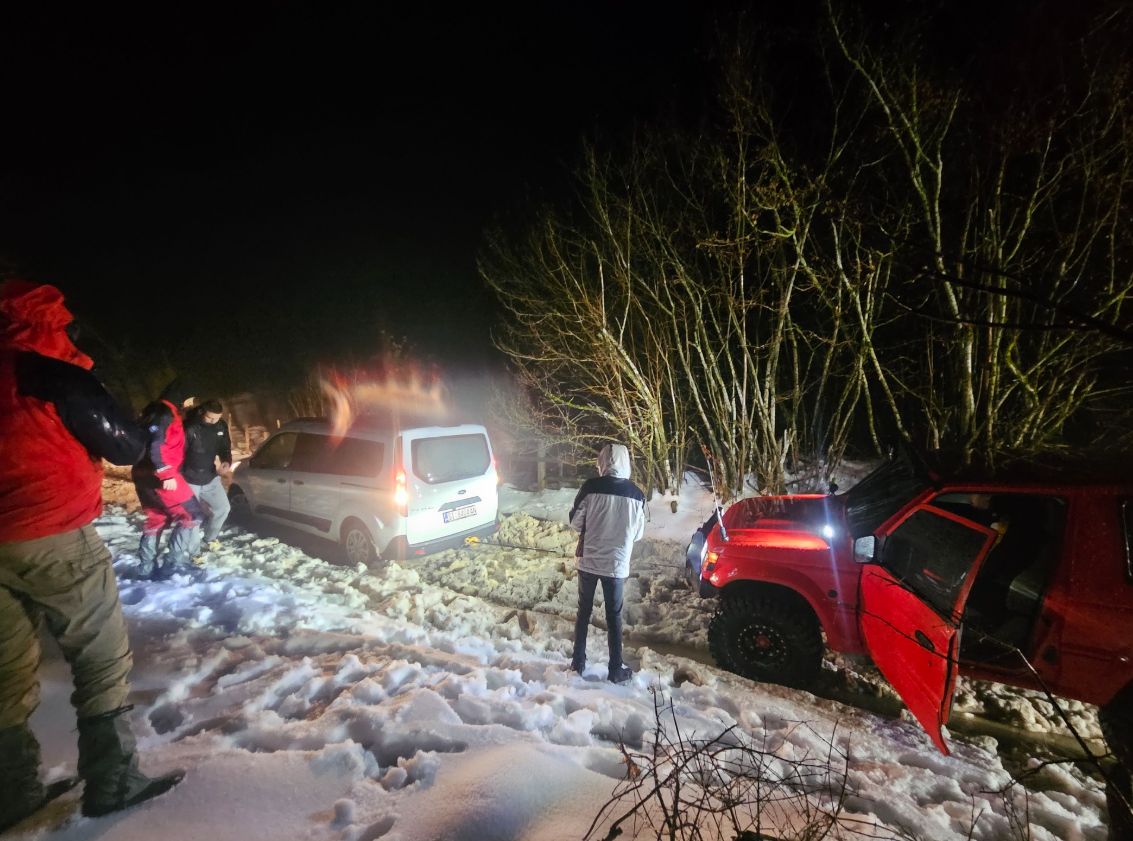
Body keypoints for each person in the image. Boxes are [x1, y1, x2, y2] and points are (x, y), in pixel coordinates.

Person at [0, 279, 183, 829]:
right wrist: (156, 417)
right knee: (100, 656)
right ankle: (113, 779)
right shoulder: (51, 374)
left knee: (4, 673)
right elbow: (125, 446)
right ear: (49, 321)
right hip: (53, 535)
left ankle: (13, 794)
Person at [568, 442, 646, 683]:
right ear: (626, 462)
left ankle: (578, 663)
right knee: (614, 616)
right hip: (616, 564)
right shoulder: (637, 495)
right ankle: (615, 669)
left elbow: (575, 522)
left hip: (589, 561)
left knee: (584, 612)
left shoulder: (590, 488)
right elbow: (638, 533)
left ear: (602, 462)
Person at [131, 380, 204, 579]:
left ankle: (146, 569)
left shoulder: (155, 410)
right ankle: (174, 565)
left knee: (156, 518)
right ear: (182, 395)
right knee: (192, 515)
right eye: (191, 398)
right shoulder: (164, 413)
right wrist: (166, 473)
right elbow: (156, 445)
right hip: (162, 476)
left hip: (145, 475)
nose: (191, 403)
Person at [182, 399, 233, 557]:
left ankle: (210, 539)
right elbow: (178, 453)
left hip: (210, 476)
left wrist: (226, 460)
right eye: (210, 418)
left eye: (216, 418)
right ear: (202, 412)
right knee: (194, 516)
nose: (213, 421)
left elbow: (224, 447)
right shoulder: (190, 427)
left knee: (223, 508)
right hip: (189, 478)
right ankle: (194, 552)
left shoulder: (220, 425)